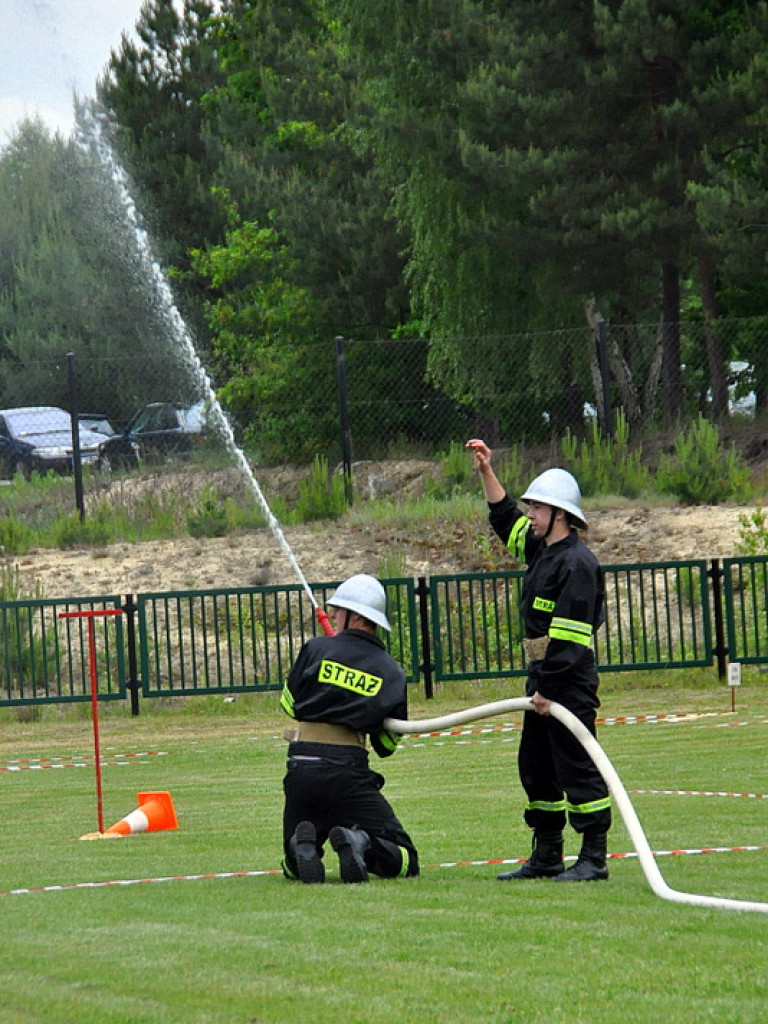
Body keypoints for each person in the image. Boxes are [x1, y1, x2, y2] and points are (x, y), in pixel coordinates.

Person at [466, 439, 611, 882]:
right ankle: (547, 854)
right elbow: (503, 517)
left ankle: (593, 859)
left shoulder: (578, 564)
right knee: (536, 767)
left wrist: (548, 688)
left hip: (567, 681)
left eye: (537, 508)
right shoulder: (541, 550)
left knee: (577, 766)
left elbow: (570, 638)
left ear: (559, 514)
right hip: (543, 679)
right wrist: (486, 471)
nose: (529, 514)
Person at [280, 573, 420, 884]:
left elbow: (289, 705)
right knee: (405, 859)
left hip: (301, 768)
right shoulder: (391, 672)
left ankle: (301, 846)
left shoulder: (315, 649)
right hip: (348, 774)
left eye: (338, 611)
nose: (332, 616)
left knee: (291, 868)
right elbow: (386, 746)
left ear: (355, 617)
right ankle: (360, 841)